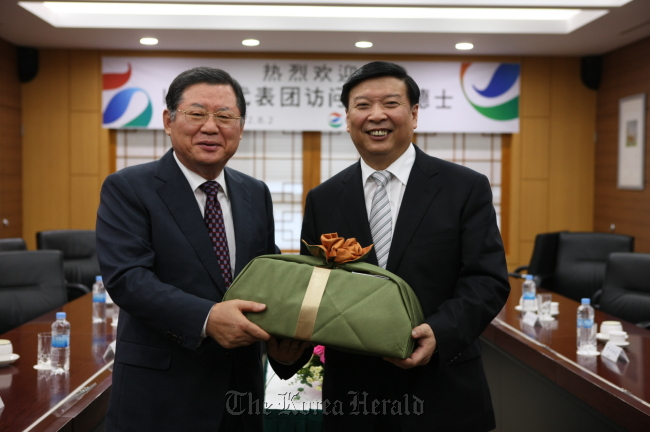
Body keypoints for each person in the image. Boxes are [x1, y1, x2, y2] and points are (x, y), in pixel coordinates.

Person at [300, 61, 510, 431]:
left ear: (413, 114)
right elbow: (313, 287)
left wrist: (439, 332)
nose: (376, 115)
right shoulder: (324, 198)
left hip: (443, 391)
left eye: (391, 104)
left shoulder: (464, 187)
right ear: (347, 118)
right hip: (354, 397)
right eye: (362, 105)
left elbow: (487, 280)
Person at [97, 66, 307, 431]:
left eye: (225, 116)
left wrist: (286, 339)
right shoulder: (129, 187)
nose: (211, 127)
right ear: (168, 120)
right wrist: (208, 319)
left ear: (240, 127)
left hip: (239, 395)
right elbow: (128, 279)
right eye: (196, 114)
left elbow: (267, 274)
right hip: (159, 396)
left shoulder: (254, 192)